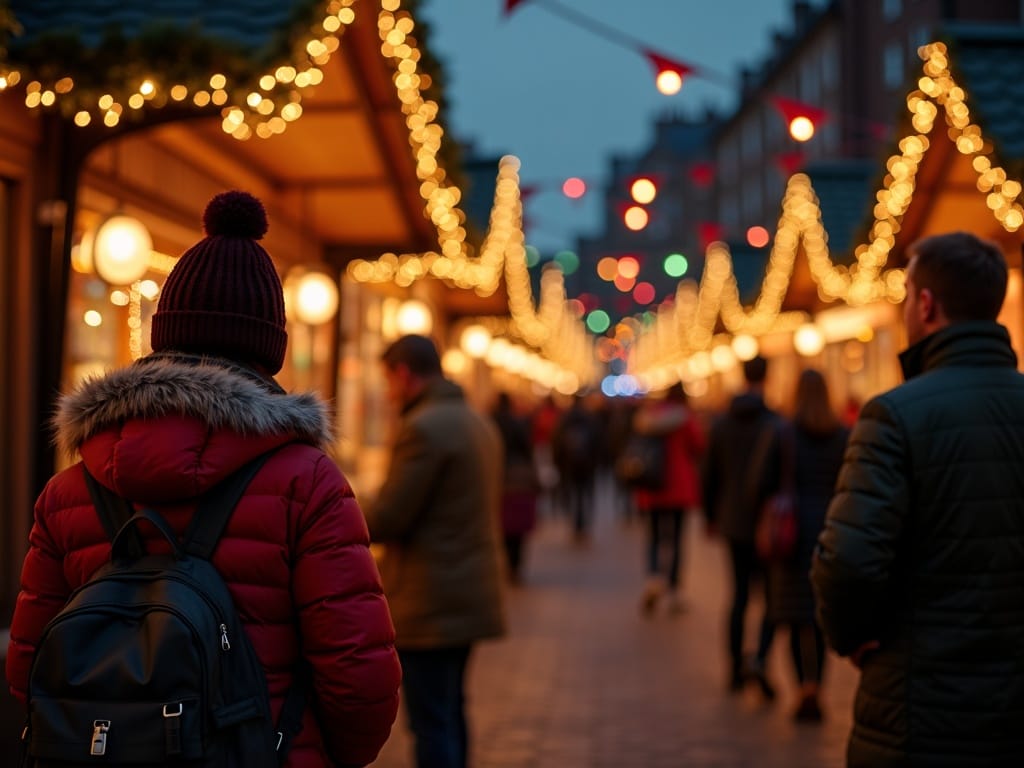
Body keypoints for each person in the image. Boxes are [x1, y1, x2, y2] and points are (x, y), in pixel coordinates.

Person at [5, 190, 401, 768]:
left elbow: (29, 665)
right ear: (269, 346)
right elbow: (358, 676)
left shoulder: (69, 488)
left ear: (163, 333)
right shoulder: (308, 483)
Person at [812, 231, 1024, 767]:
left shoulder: (894, 416)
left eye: (906, 294)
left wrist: (852, 637)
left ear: (925, 305)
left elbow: (848, 561)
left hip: (920, 703)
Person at [365, 334, 506, 768]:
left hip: (432, 597)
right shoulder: (475, 420)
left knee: (430, 720)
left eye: (388, 381)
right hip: (468, 589)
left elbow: (388, 517)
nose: (388, 393)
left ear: (403, 374)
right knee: (451, 709)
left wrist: (347, 504)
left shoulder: (423, 429)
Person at [750, 369, 848, 722]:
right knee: (819, 616)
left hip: (791, 534)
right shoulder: (842, 434)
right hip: (830, 527)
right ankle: (815, 687)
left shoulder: (783, 433)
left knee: (794, 616)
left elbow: (760, 483)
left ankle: (802, 690)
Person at [701, 354, 778, 698]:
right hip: (767, 523)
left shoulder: (722, 424)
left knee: (739, 595)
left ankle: (734, 668)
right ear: (767, 378)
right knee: (770, 598)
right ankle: (760, 658)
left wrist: (710, 516)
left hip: (733, 521)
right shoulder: (775, 423)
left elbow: (709, 475)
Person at [633, 383, 705, 615]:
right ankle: (674, 589)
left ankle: (654, 577)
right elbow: (698, 445)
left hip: (653, 485)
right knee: (677, 538)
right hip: (679, 486)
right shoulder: (685, 418)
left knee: (654, 535)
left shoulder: (649, 416)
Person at [491, 391, 539, 584]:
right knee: (518, 526)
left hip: (499, 478)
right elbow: (528, 450)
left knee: (502, 524)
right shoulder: (517, 423)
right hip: (518, 478)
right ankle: (515, 565)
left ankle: (506, 563)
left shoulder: (490, 424)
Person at [550, 393, 601, 541]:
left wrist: (557, 461)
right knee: (585, 493)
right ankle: (583, 523)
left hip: (569, 462)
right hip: (586, 463)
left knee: (572, 492)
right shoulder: (589, 417)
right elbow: (597, 440)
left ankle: (575, 523)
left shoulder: (565, 418)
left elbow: (557, 439)